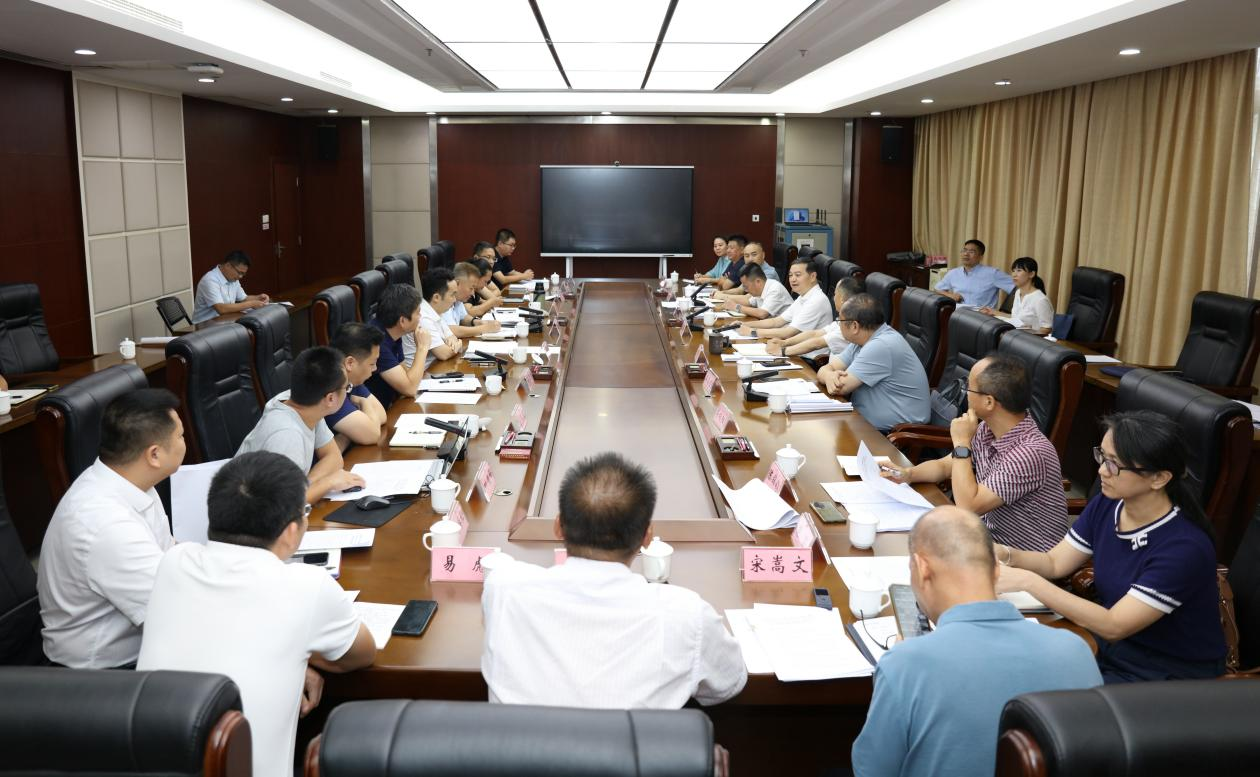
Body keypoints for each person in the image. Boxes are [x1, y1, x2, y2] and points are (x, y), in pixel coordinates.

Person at [138, 452, 376, 777]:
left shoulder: (173, 562)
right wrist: (300, 655)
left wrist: (294, 654)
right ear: (291, 531)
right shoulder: (308, 586)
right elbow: (361, 654)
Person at [481, 452, 747, 708]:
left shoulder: (504, 589)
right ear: (646, 536)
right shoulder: (688, 615)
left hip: (522, 743)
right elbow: (729, 683)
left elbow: (503, 572)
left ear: (558, 526)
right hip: (635, 742)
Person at [851, 506, 1101, 777]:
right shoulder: (1077, 652)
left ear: (922, 568)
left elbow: (871, 770)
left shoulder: (905, 665)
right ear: (996, 571)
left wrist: (896, 670)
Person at [995, 410, 1228, 682]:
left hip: (1165, 674)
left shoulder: (1184, 547)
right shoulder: (1109, 504)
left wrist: (1027, 582)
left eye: (1114, 464)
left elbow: (1115, 625)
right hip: (1111, 648)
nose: (1102, 470)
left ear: (1159, 478)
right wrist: (1006, 554)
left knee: (1032, 686)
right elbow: (1055, 563)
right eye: (1102, 456)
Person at [37, 389, 184, 668]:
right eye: (180, 436)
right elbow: (176, 612)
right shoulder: (105, 524)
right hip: (100, 674)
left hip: (143, 640)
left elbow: (169, 555)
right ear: (154, 454)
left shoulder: (130, 479)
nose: (183, 442)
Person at [882, 355, 1068, 551]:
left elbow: (968, 506)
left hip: (1024, 558)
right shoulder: (987, 428)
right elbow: (945, 466)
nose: (966, 394)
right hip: (986, 539)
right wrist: (908, 474)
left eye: (968, 387)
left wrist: (962, 443)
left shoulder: (1029, 453)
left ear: (989, 402)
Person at [236, 346, 365, 503]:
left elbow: (334, 457)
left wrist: (303, 487)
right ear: (330, 398)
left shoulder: (306, 405)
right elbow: (284, 504)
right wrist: (327, 483)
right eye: (347, 387)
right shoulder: (287, 437)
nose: (347, 391)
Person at [818, 294, 930, 431]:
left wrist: (829, 376)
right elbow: (828, 368)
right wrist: (829, 375)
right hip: (862, 423)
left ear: (854, 326)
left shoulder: (881, 345)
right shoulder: (864, 339)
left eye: (840, 320)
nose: (838, 324)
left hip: (894, 434)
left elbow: (840, 387)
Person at [364, 283, 431, 408]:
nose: (420, 317)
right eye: (418, 313)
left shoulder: (392, 331)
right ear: (402, 321)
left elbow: (406, 374)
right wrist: (422, 348)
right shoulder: (376, 342)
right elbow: (410, 389)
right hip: (377, 413)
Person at [738, 257, 833, 339]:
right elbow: (776, 322)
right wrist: (742, 324)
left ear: (812, 276)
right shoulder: (803, 297)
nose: (793, 279)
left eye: (798, 275)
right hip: (795, 347)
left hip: (808, 354)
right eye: (791, 275)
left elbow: (788, 332)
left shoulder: (817, 300)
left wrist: (752, 332)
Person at [766, 277, 863, 357]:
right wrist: (784, 343)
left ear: (841, 299)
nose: (833, 298)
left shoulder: (849, 326)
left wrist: (783, 351)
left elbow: (817, 343)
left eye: (835, 294)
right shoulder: (840, 322)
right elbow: (814, 334)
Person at [326, 322, 387, 447]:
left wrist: (350, 433)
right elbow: (373, 434)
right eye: (372, 364)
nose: (375, 368)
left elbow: (381, 415)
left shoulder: (352, 380)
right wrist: (364, 403)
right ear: (350, 363)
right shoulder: (330, 389)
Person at [404, 267, 464, 369]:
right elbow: (444, 354)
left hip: (436, 368)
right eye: (452, 295)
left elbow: (452, 337)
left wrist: (455, 344)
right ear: (436, 297)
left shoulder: (436, 311)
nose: (455, 300)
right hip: (423, 374)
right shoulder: (422, 317)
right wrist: (458, 345)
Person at [192, 250, 269, 324]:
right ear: (228, 265)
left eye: (243, 274)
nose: (240, 276)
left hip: (225, 322)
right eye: (239, 272)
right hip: (204, 326)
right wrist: (251, 304)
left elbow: (244, 298)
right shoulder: (210, 280)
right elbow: (221, 309)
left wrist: (259, 298)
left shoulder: (233, 278)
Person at [934, 239, 1014, 308]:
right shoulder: (953, 273)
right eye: (964, 250)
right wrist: (951, 295)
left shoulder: (993, 273)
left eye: (971, 251)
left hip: (981, 317)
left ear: (981, 256)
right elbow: (937, 289)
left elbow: (1016, 288)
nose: (966, 254)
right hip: (957, 313)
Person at [982, 256, 1054, 334]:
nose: (1014, 275)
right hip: (1014, 335)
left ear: (1031, 274)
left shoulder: (1040, 300)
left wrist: (1025, 333)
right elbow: (1016, 318)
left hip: (1027, 339)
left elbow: (1047, 329)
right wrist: (994, 312)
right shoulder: (1018, 292)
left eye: (1019, 270)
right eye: (1013, 271)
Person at [715, 263, 791, 321]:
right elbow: (748, 301)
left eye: (746, 286)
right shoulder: (760, 288)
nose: (745, 290)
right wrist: (725, 300)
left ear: (758, 281)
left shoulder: (775, 289)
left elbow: (762, 314)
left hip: (786, 331)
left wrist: (736, 307)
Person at [445, 263, 503, 338]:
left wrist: (477, 322)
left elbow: (463, 318)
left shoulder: (458, 300)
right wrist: (484, 328)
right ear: (457, 283)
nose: (472, 293)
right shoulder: (444, 299)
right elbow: (452, 330)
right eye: (471, 288)